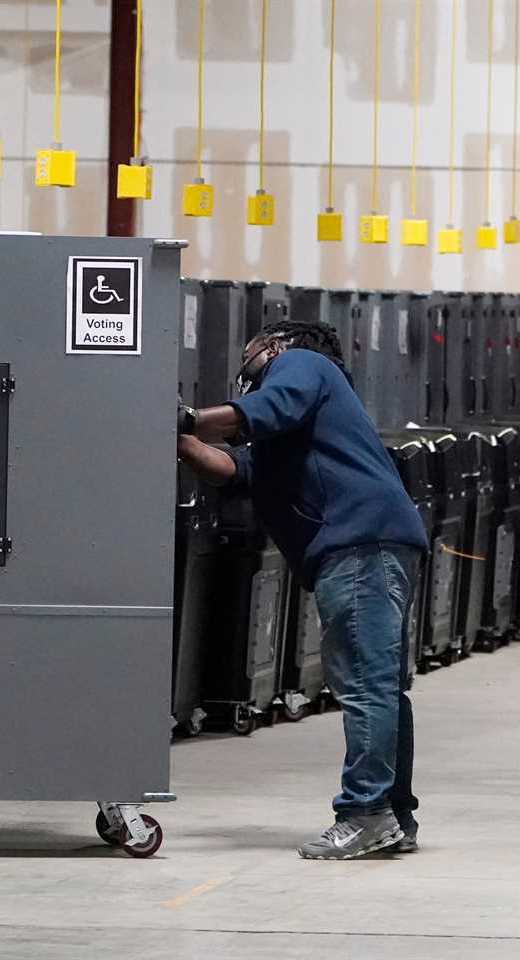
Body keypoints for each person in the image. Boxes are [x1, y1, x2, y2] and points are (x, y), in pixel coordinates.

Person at [176, 319, 429, 860]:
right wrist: (177, 437)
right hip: (369, 545)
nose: (244, 359)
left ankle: (365, 813)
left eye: (249, 351)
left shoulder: (301, 366)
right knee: (378, 685)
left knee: (364, 685)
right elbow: (231, 469)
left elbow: (262, 411)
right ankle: (393, 815)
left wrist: (190, 417)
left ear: (272, 347)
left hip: (360, 545)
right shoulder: (294, 424)